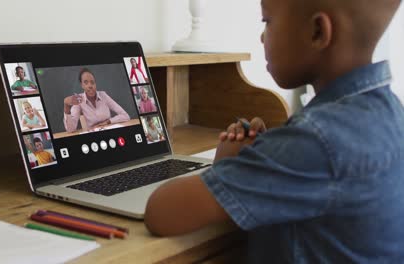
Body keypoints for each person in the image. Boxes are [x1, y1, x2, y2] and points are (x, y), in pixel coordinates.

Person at [145, 0, 404, 263]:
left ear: (317, 32)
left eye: (267, 22)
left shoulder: (315, 140)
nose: (261, 36)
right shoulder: (391, 113)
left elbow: (161, 213)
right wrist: (268, 155)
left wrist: (229, 166)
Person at [63, 68, 130, 132]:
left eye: (92, 82)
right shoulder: (79, 100)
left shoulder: (103, 95)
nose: (90, 86)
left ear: (95, 84)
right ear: (82, 85)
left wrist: (108, 122)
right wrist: (66, 106)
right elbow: (70, 129)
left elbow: (125, 116)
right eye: (86, 83)